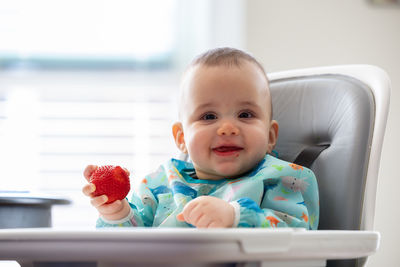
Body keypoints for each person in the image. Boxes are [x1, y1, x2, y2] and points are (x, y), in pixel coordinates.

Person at [82, 47, 319, 229]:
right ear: (182, 137)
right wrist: (116, 212)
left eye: (245, 114)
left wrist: (235, 217)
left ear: (270, 136)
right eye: (209, 116)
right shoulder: (159, 184)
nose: (227, 128)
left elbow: (297, 231)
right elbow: (127, 247)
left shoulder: (283, 179)